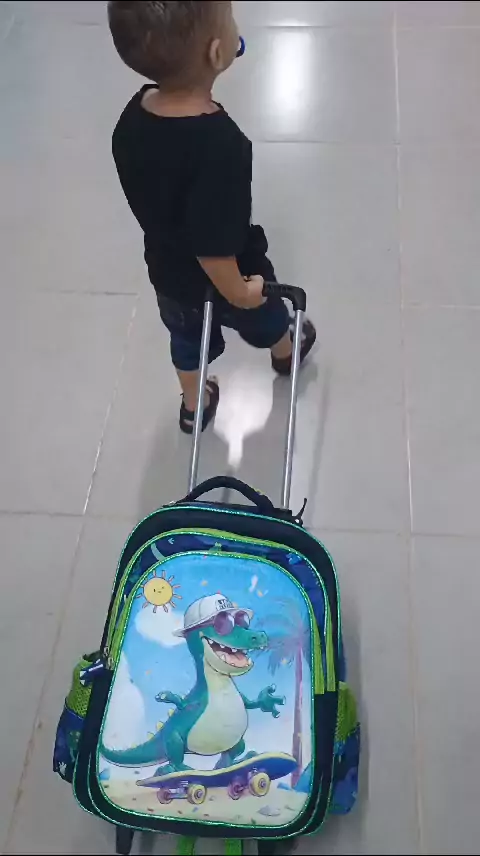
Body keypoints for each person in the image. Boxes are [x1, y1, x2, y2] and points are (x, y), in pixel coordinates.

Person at [108, 1, 316, 434]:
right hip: (230, 275)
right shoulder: (221, 146)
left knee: (187, 342)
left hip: (168, 275)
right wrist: (239, 291)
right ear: (218, 52)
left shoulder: (130, 119)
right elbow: (214, 247)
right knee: (264, 315)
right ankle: (285, 351)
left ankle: (194, 402)